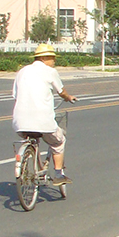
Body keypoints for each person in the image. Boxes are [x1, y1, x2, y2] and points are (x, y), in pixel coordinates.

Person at [12, 44, 77, 185]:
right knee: (59, 142)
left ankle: (31, 161)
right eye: (52, 58)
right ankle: (59, 174)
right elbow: (61, 91)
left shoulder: (22, 71)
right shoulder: (50, 71)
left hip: (19, 122)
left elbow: (15, 95)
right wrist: (68, 97)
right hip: (43, 121)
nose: (54, 61)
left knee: (33, 136)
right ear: (43, 58)